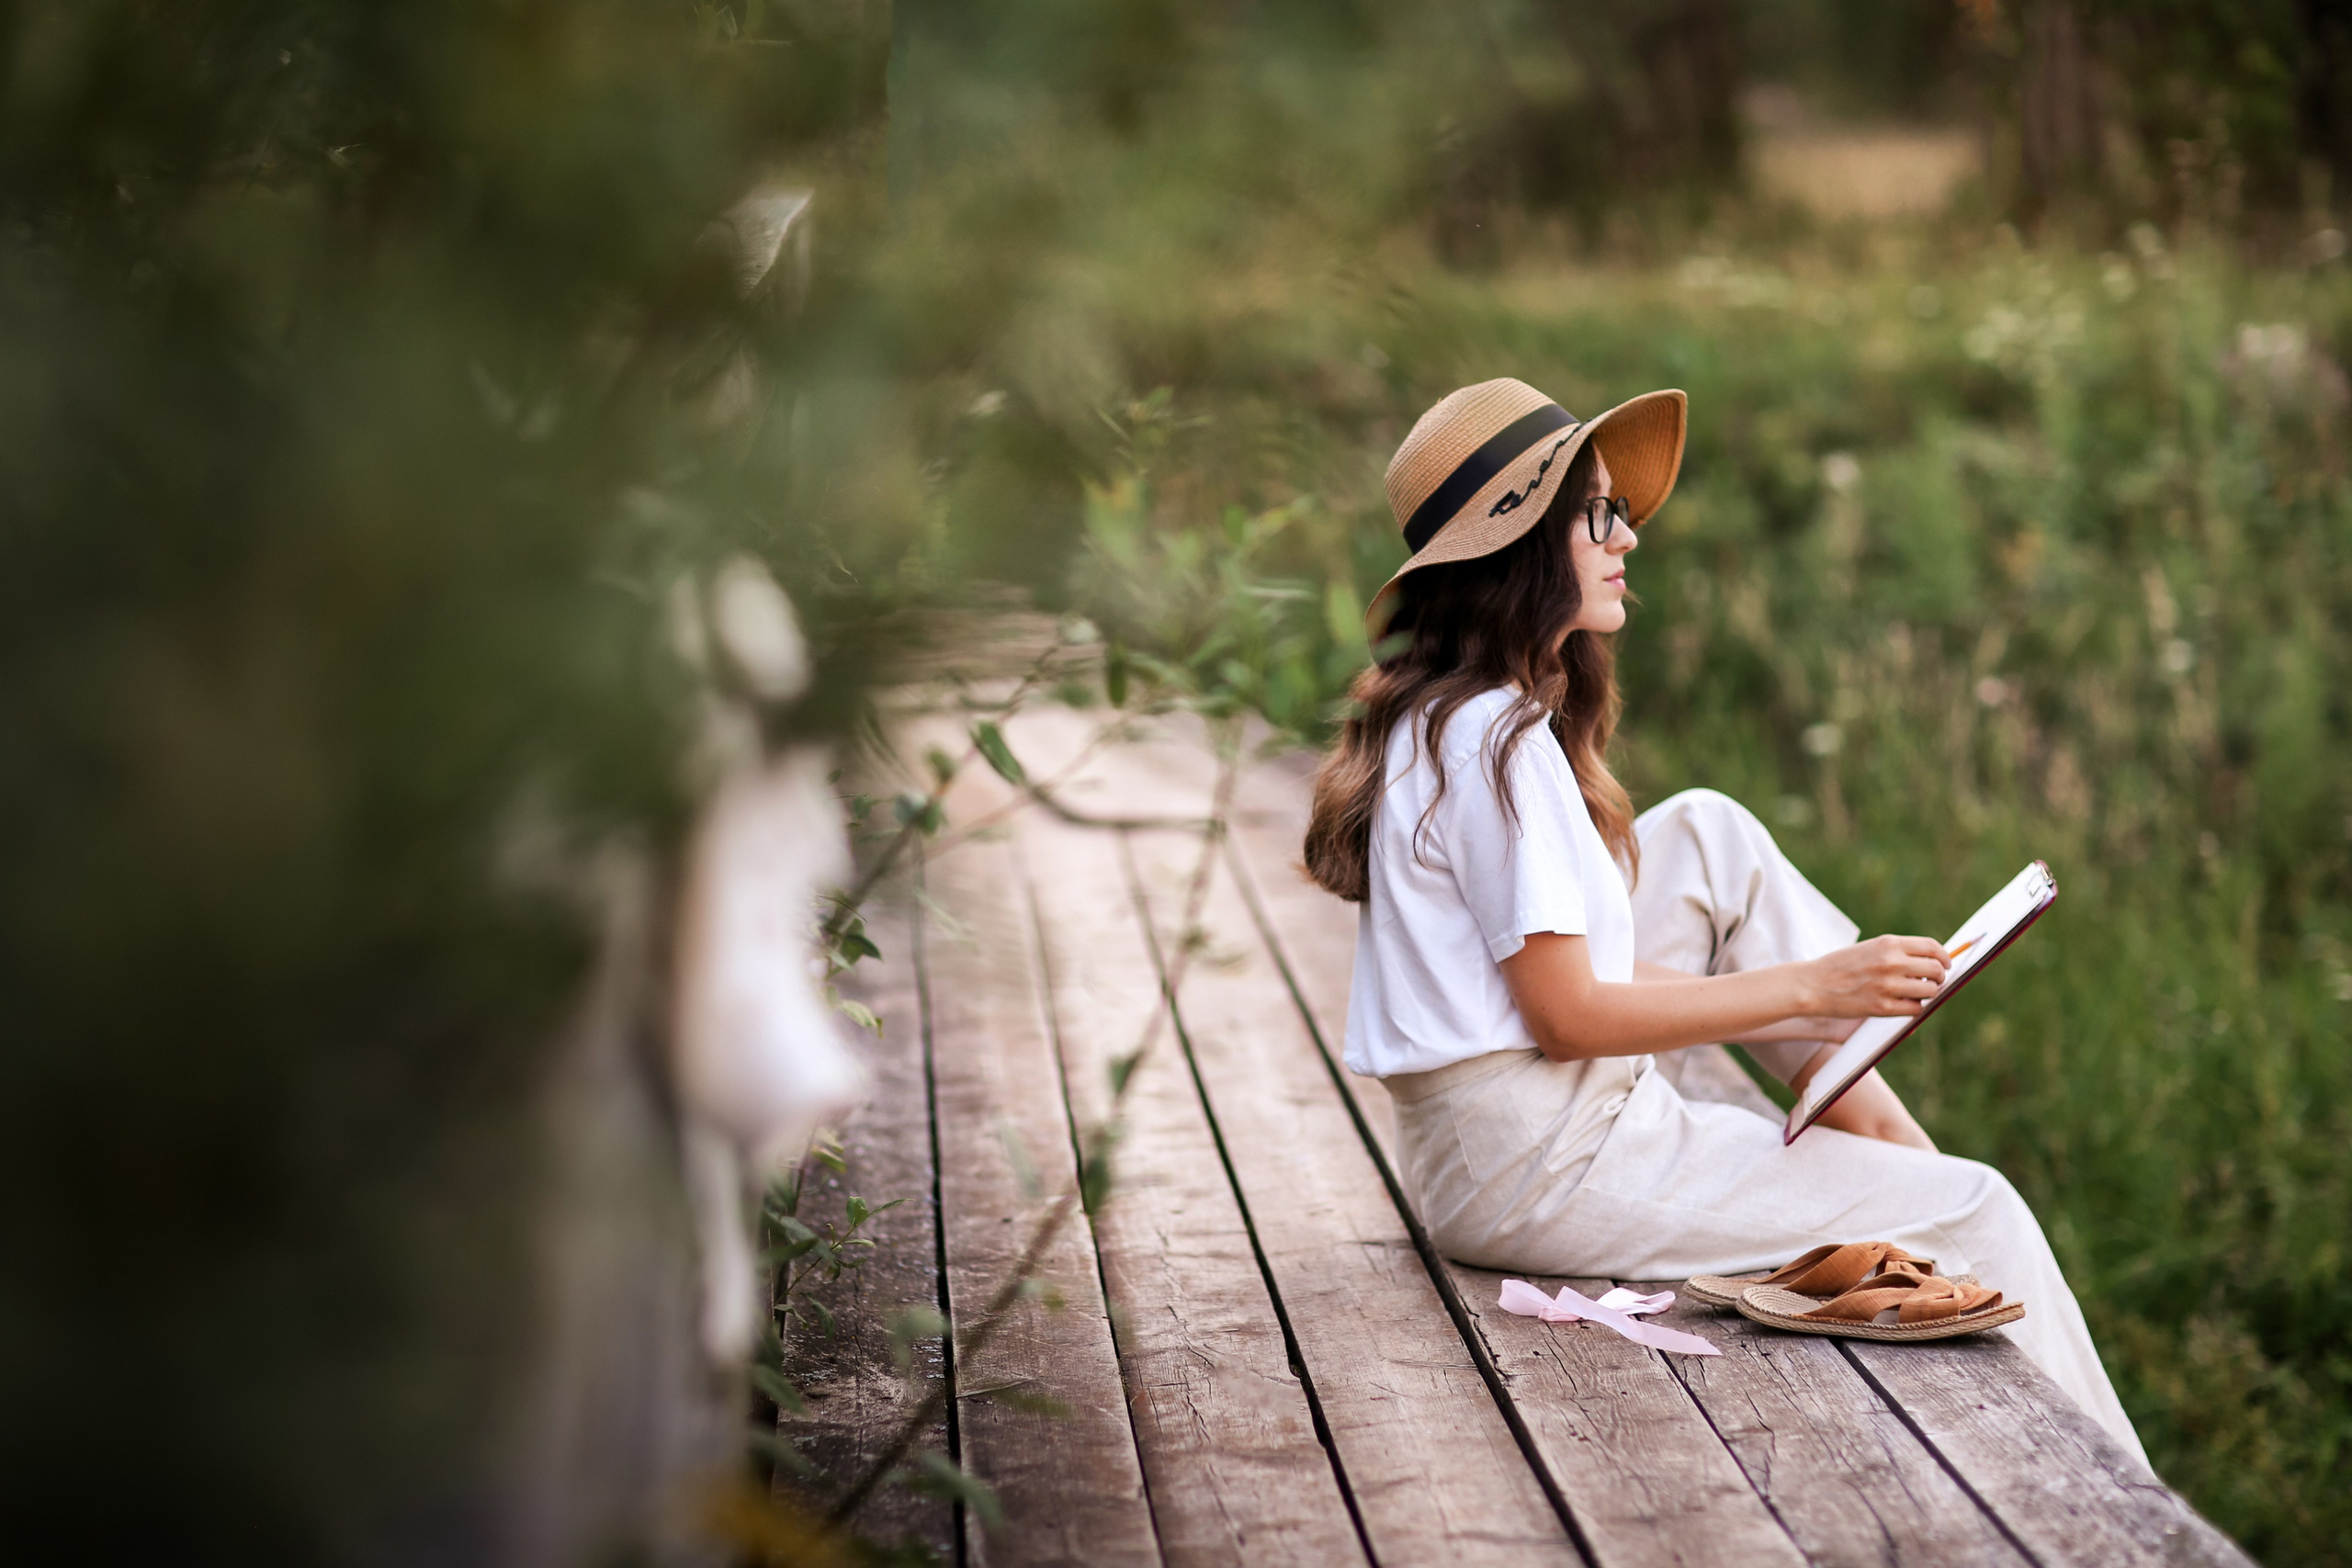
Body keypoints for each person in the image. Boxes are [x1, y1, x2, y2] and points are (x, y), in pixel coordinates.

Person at [1304, 378, 2147, 1465]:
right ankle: (2118, 1501)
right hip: (1538, 1165)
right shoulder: (1495, 740)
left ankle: (1884, 1149)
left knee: (1705, 833)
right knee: (1980, 1211)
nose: (1626, 540)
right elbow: (1564, 1017)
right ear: (1520, 547)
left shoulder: (1459, 713)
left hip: (1496, 1141)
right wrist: (1817, 986)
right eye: (1597, 514)